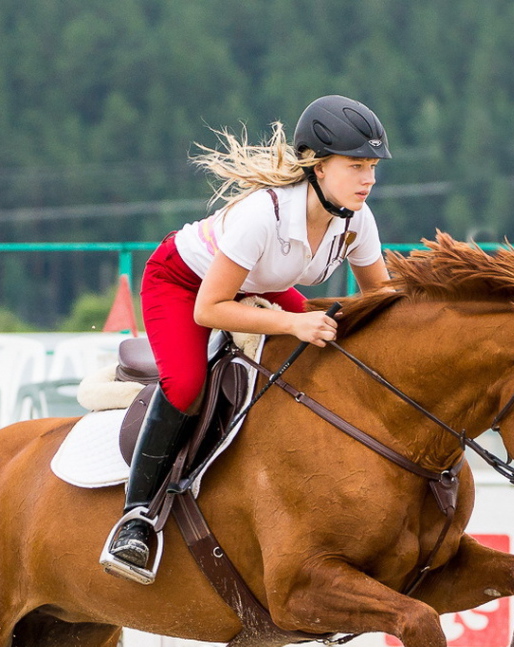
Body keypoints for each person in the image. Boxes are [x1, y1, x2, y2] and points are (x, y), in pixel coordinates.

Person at [101, 95, 392, 583]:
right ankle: (136, 519)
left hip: (258, 283)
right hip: (184, 284)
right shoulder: (263, 214)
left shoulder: (356, 220)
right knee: (187, 385)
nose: (369, 179)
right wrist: (293, 324)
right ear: (319, 167)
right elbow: (210, 309)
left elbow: (381, 298)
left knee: (335, 347)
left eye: (373, 167)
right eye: (356, 166)